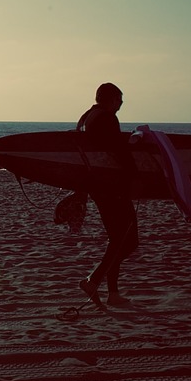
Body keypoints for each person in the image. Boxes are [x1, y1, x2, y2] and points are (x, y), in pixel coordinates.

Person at [76, 82, 138, 308]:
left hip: (98, 187)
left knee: (118, 240)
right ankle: (94, 280)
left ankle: (113, 293)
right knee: (129, 240)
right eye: (120, 100)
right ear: (111, 99)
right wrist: (135, 174)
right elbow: (118, 151)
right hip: (112, 187)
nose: (121, 104)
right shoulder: (107, 117)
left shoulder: (86, 118)